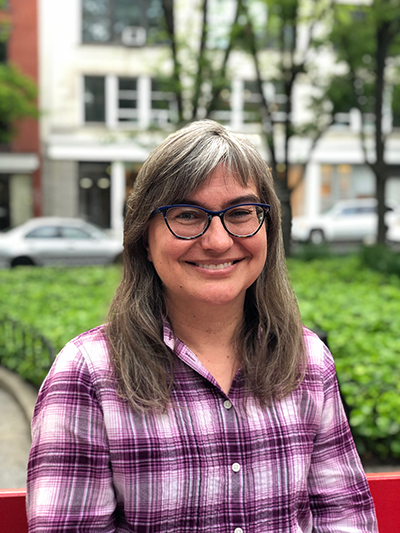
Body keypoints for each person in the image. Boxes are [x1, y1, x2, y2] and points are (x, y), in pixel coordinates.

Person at [26, 120, 377, 532]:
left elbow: (344, 520)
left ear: (269, 229)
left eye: (241, 213)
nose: (217, 241)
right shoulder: (87, 375)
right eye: (188, 215)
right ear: (143, 235)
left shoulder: (308, 360)